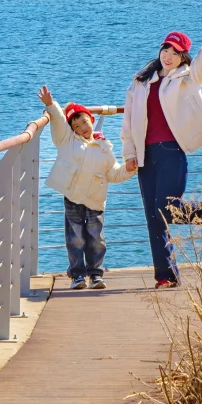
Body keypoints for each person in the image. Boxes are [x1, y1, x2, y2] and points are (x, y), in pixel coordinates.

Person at [122, 10, 202, 289]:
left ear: (183, 56)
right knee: (153, 216)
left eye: (175, 51)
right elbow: (128, 119)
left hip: (172, 152)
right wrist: (129, 153)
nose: (168, 55)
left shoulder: (188, 77)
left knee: (166, 207)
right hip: (144, 157)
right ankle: (166, 275)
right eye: (166, 49)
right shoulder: (140, 82)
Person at [36, 89, 135, 289]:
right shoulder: (67, 141)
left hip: (95, 200)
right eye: (76, 125)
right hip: (73, 197)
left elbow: (114, 173)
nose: (82, 127)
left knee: (96, 239)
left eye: (84, 122)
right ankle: (77, 276)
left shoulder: (105, 147)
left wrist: (130, 168)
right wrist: (51, 104)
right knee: (76, 239)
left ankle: (96, 274)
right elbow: (58, 122)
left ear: (91, 119)